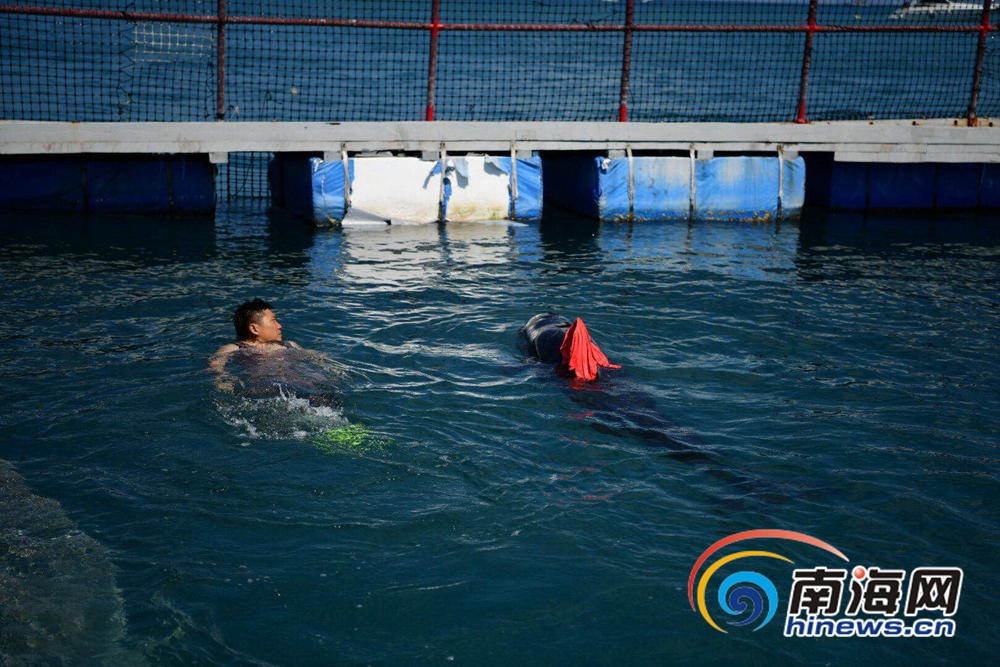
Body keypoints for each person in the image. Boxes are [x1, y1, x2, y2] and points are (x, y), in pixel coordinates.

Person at [209, 298, 343, 394]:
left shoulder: (289, 345)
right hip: (268, 391)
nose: (279, 326)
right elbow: (215, 360)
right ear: (254, 329)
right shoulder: (236, 348)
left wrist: (337, 369)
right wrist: (222, 379)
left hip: (306, 387)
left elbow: (314, 357)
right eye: (273, 320)